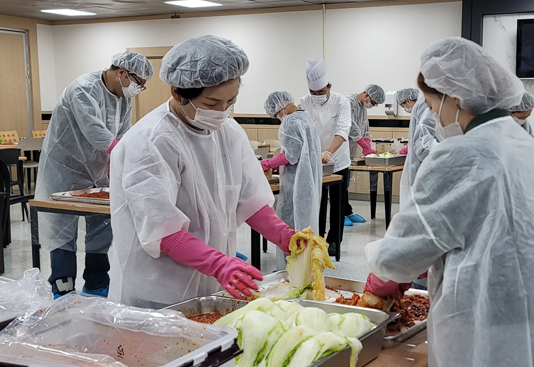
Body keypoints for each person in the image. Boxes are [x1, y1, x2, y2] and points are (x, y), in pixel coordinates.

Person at [365, 37, 534, 367]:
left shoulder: (462, 155)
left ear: (454, 98)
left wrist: (378, 277)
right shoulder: (527, 147)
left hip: (491, 328)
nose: (432, 117)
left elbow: (406, 251)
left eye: (431, 106)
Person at [108, 36, 297, 309]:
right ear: (177, 93)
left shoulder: (228, 131)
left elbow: (248, 197)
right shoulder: (150, 140)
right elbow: (161, 228)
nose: (221, 112)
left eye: (230, 101)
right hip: (158, 290)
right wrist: (218, 263)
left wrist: (284, 236)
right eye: (211, 103)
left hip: (211, 285)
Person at [35, 51, 154, 299]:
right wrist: (118, 152)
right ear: (122, 72)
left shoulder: (123, 96)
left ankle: (97, 282)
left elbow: (123, 132)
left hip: (98, 170)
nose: (137, 88)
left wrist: (121, 160)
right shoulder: (83, 89)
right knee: (62, 229)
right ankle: (62, 286)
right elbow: (93, 129)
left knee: (102, 226)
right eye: (138, 82)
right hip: (64, 168)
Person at [261, 91, 322, 270]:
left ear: (279, 106)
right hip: (308, 179)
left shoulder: (290, 121)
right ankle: (304, 267)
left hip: (296, 182)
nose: (277, 117)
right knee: (305, 224)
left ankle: (290, 269)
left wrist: (267, 163)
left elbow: (291, 155)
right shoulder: (305, 117)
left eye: (275, 114)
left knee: (291, 225)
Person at [299, 59, 351, 256]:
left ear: (329, 87)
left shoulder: (341, 102)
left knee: (338, 202)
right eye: (314, 92)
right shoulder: (304, 102)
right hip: (315, 161)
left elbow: (343, 131)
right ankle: (318, 239)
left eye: (321, 92)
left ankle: (335, 240)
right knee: (317, 202)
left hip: (338, 159)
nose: (317, 96)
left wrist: (329, 151)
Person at [347, 84, 385, 226]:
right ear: (367, 95)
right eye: (373, 102)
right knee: (341, 179)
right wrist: (363, 143)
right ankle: (339, 213)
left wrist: (367, 142)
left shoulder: (362, 106)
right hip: (342, 146)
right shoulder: (350, 102)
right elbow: (350, 125)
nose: (372, 106)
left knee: (347, 180)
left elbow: (364, 126)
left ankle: (347, 211)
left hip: (352, 147)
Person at [396, 88, 437, 210]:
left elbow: (422, 144)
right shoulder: (423, 106)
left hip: (423, 163)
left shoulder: (422, 105)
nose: (404, 108)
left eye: (403, 105)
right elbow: (422, 141)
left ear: (408, 101)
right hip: (423, 162)